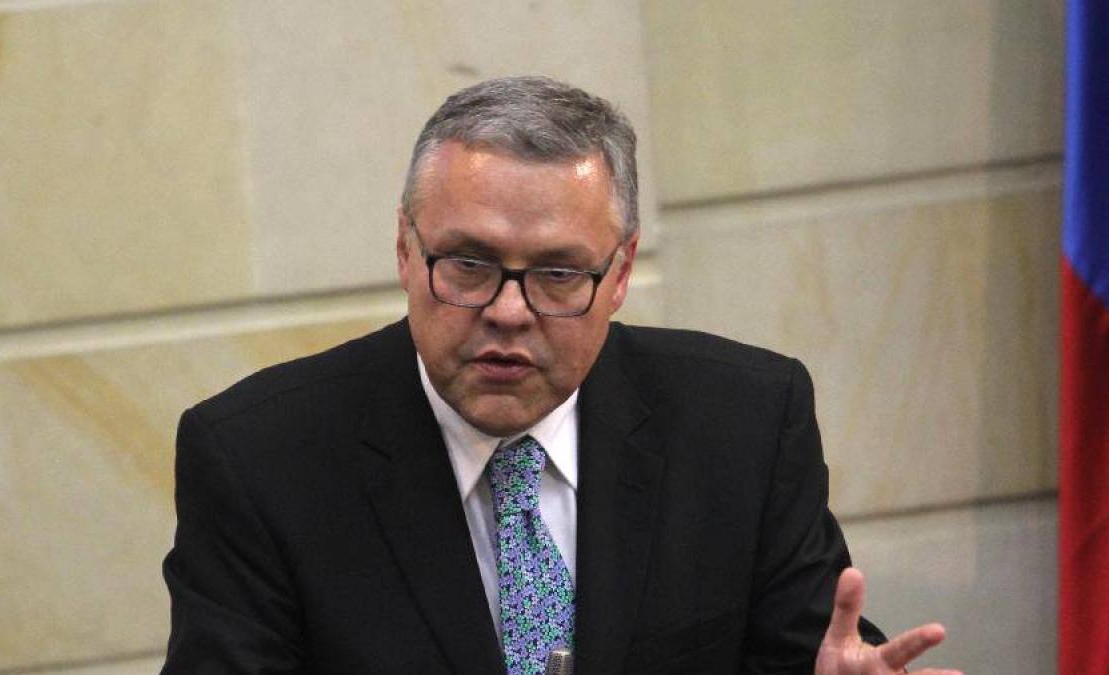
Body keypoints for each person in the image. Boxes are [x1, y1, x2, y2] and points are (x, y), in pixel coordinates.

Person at [161, 76, 959, 674]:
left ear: (621, 273)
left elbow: (813, 651)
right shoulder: (260, 460)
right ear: (405, 250)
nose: (509, 311)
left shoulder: (743, 424)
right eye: (468, 264)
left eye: (558, 274)